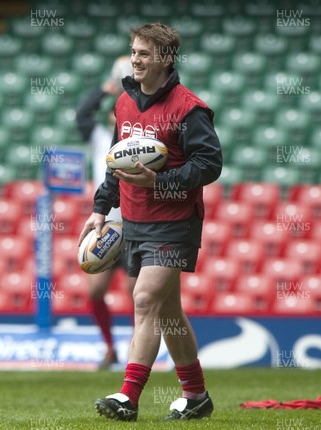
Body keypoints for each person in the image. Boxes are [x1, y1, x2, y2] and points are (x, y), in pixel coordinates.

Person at [78, 23, 223, 421]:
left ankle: (127, 397)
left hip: (175, 221)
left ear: (165, 58)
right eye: (133, 52)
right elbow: (114, 162)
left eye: (144, 53)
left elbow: (210, 164)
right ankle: (196, 396)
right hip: (133, 219)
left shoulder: (188, 108)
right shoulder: (124, 103)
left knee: (143, 300)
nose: (135, 59)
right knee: (168, 313)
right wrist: (100, 210)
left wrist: (161, 181)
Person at [75, 56, 134, 370]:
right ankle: (110, 349)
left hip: (135, 222)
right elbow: (81, 114)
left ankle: (139, 353)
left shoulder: (136, 142)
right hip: (107, 222)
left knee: (135, 292)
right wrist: (105, 89)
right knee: (96, 290)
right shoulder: (101, 140)